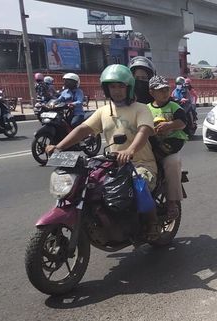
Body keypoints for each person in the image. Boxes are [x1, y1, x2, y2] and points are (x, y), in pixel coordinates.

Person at [46, 64, 160, 238]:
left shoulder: (141, 108)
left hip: (141, 164)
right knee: (90, 185)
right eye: (112, 86)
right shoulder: (103, 111)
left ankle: (152, 224)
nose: (116, 91)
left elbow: (144, 131)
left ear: (128, 87)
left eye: (121, 86)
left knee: (139, 185)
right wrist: (59, 146)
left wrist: (130, 150)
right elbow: (83, 130)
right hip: (114, 164)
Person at [147, 75, 187, 220]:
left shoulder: (174, 106)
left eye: (166, 89)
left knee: (172, 162)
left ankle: (172, 203)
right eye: (160, 90)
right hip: (153, 143)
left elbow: (183, 122)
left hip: (172, 142)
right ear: (152, 92)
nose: (164, 93)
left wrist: (169, 125)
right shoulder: (146, 109)